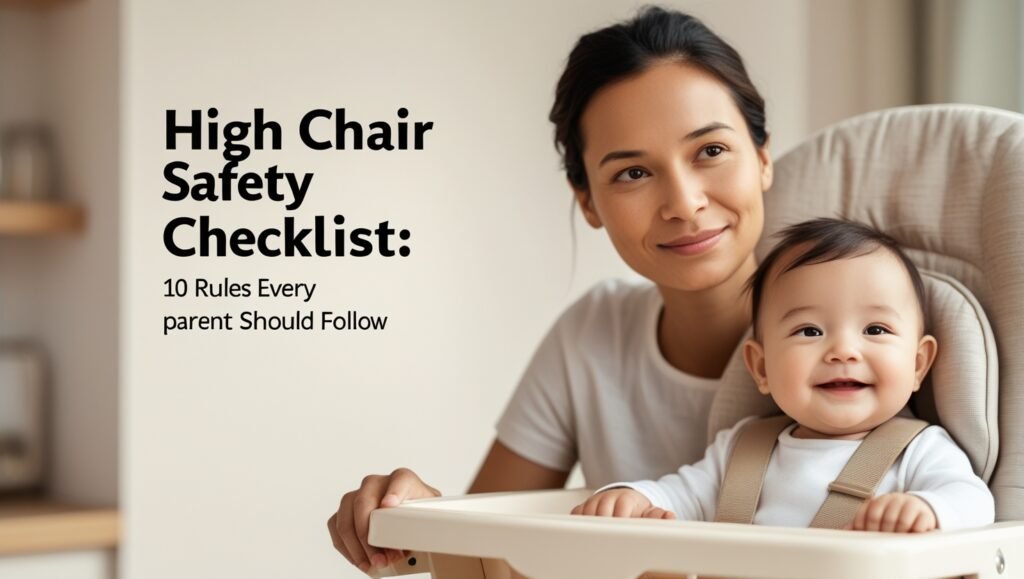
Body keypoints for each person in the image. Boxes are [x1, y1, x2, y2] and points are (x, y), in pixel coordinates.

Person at [329, 7, 775, 572]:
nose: (683, 203)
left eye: (710, 151)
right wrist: (415, 514)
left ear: (762, 157)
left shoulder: (864, 328)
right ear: (587, 200)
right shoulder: (592, 334)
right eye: (633, 173)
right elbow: (477, 558)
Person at [570, 219, 995, 532]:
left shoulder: (920, 451)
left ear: (918, 364)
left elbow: (975, 501)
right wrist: (635, 498)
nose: (843, 351)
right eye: (809, 331)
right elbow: (680, 495)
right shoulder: (741, 447)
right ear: (761, 367)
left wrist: (927, 509)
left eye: (875, 330)